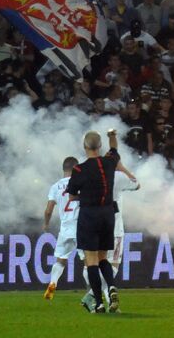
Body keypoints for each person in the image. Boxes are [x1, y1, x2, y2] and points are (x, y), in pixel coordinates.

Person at [66, 130, 124, 313]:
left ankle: (98, 302)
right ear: (100, 147)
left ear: (84, 147)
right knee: (103, 258)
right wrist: (111, 135)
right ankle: (112, 286)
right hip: (108, 215)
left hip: (89, 215)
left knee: (91, 261)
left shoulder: (79, 169)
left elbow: (72, 194)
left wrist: (82, 197)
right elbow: (114, 148)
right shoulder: (109, 162)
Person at [80, 168, 140, 312]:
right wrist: (123, 168)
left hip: (94, 225)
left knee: (93, 264)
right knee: (111, 267)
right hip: (114, 228)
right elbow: (137, 184)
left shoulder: (90, 175)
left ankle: (101, 300)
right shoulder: (118, 177)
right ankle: (93, 296)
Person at [42, 157, 80, 300]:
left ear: (63, 169)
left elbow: (48, 210)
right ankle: (94, 292)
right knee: (89, 262)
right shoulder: (80, 183)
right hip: (80, 226)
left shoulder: (55, 187)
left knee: (60, 260)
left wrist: (46, 224)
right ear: (76, 169)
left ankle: (52, 283)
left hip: (65, 229)